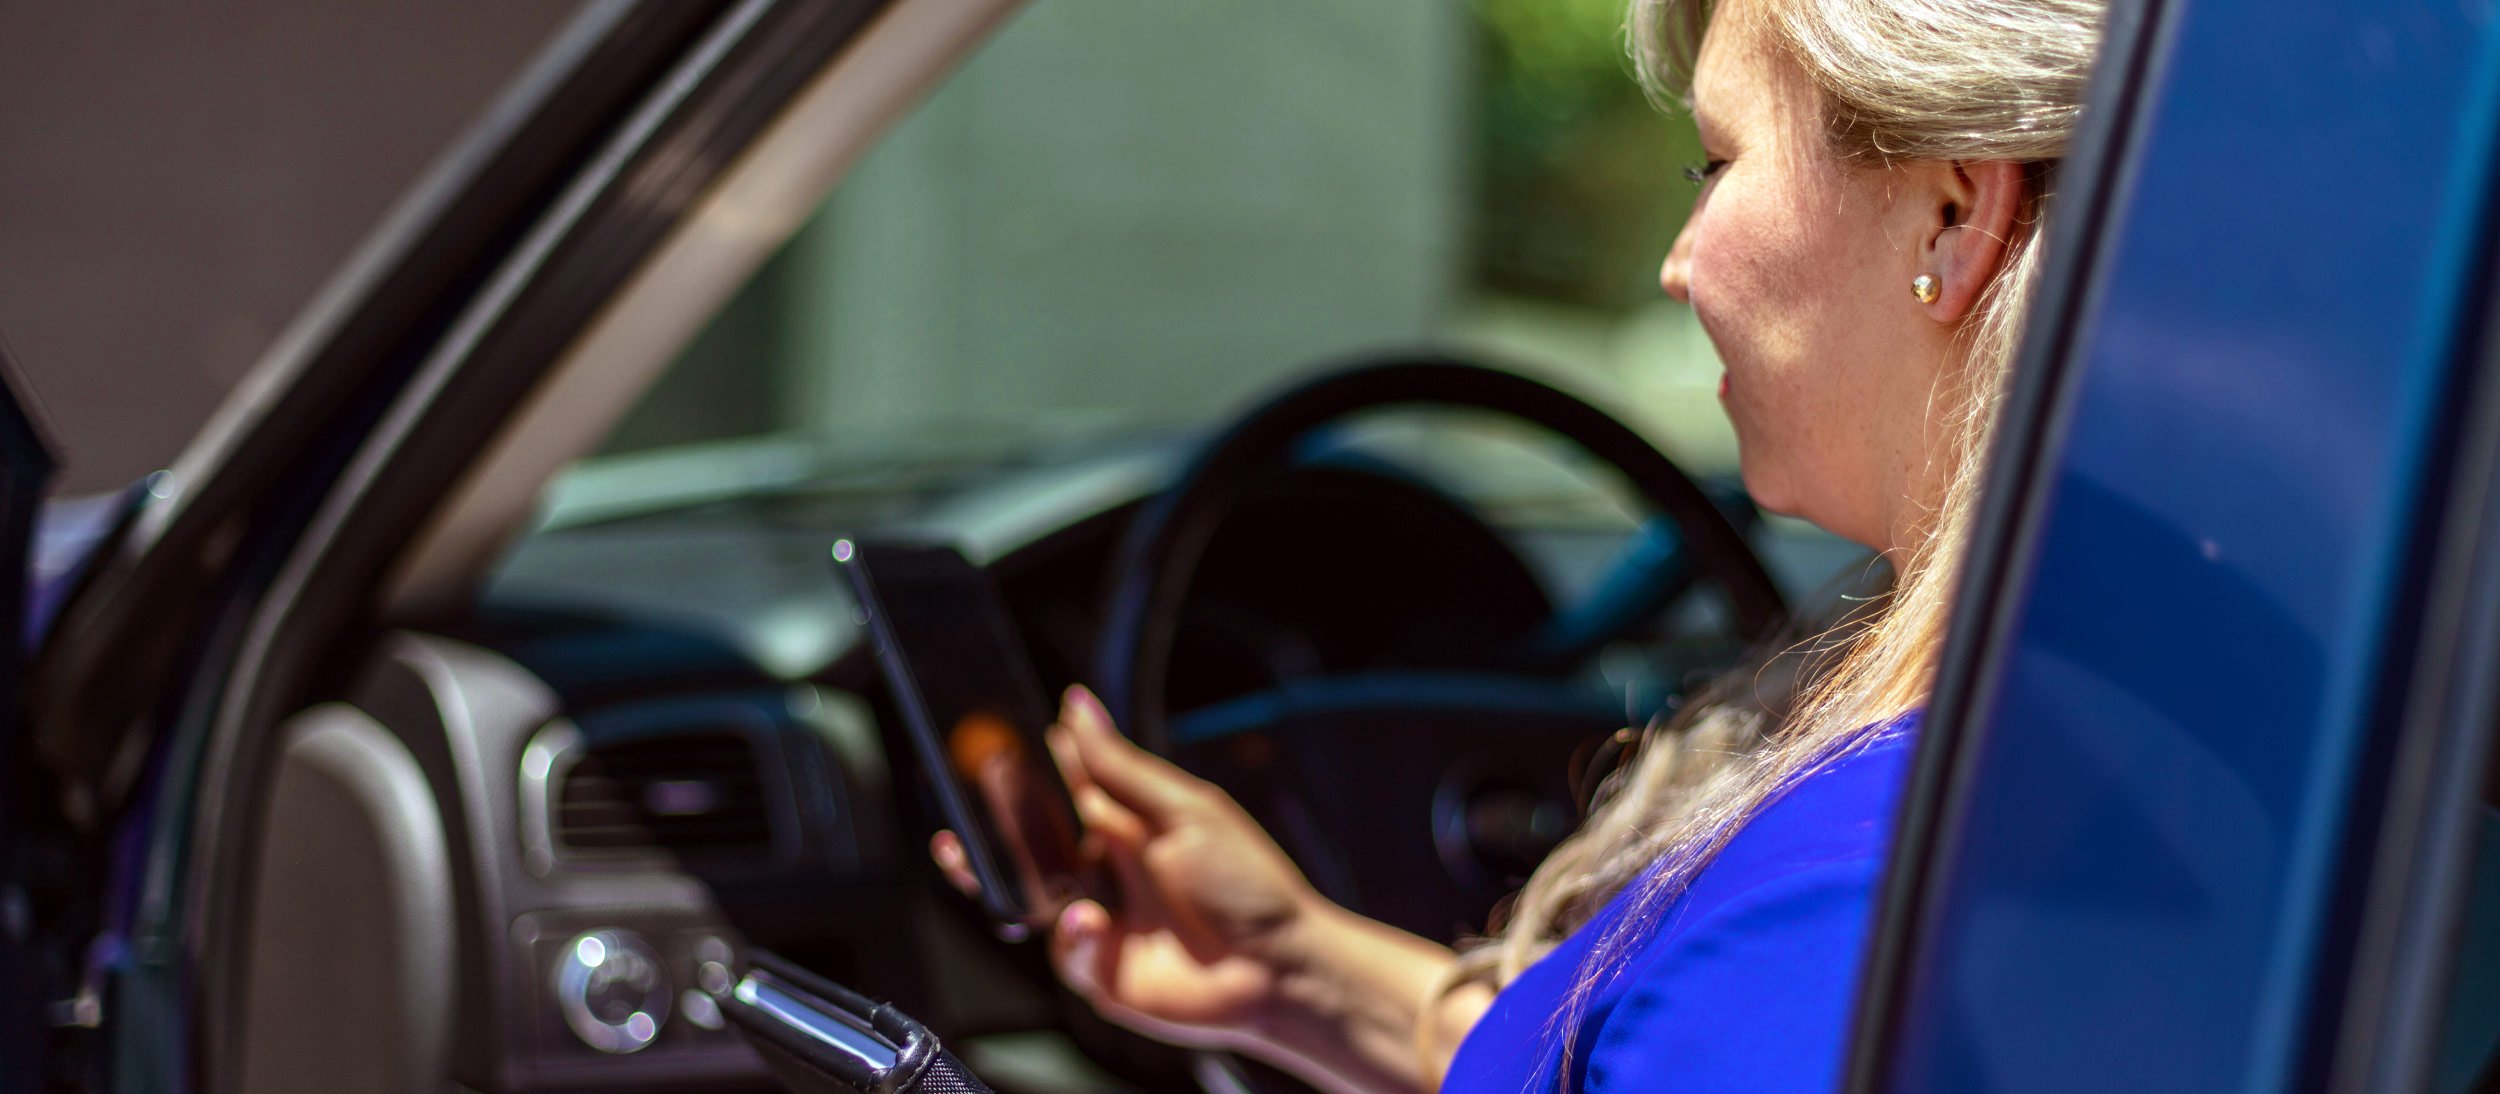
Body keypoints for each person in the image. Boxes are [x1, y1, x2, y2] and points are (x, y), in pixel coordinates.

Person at [931, 0, 2104, 1087]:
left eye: (1717, 162)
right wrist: (1296, 969)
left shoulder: (1846, 898)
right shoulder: (2068, 769)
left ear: (1953, 214)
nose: (1679, 261)